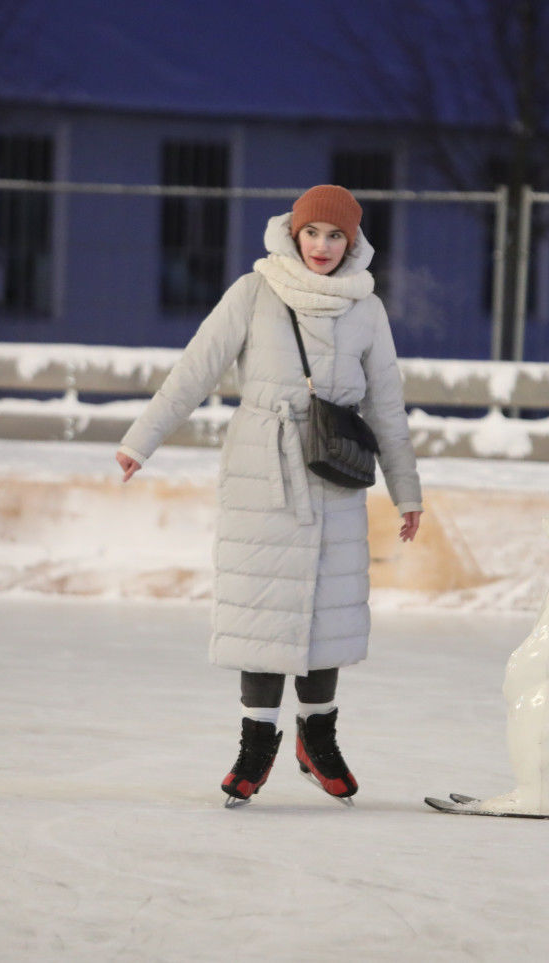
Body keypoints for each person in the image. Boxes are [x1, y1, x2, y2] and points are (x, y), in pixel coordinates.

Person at [115, 184, 422, 807]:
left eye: (336, 236)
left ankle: (319, 736)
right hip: (265, 467)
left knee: (326, 608)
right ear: (293, 232)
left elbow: (386, 405)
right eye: (313, 233)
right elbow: (194, 370)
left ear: (353, 242)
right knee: (262, 606)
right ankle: (257, 743)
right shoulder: (255, 292)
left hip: (336, 469)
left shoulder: (367, 309)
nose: (323, 247)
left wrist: (407, 489)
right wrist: (140, 441)